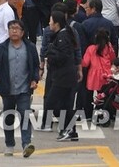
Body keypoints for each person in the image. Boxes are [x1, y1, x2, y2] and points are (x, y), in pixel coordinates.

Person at [0, 20, 39, 158]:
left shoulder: (30, 47)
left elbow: (35, 66)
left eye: (17, 28)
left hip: (24, 89)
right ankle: (9, 145)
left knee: (25, 115)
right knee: (9, 117)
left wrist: (34, 80)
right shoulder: (1, 48)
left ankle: (26, 144)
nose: (14, 31)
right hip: (7, 89)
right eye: (11, 28)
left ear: (23, 32)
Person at [45, 10, 80, 141]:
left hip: (64, 76)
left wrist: (51, 52)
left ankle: (68, 128)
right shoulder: (63, 34)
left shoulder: (62, 37)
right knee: (65, 104)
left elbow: (63, 56)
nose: (49, 24)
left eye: (51, 21)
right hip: (65, 75)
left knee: (52, 104)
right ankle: (71, 131)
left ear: (57, 23)